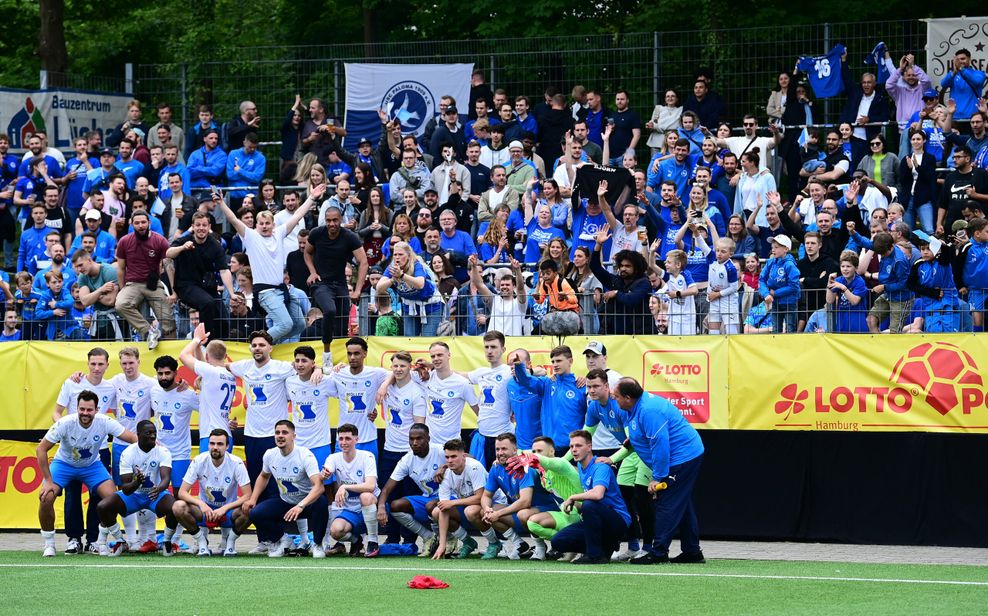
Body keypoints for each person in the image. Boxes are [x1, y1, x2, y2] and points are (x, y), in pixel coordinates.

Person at [613, 378, 705, 565]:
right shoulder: (636, 407)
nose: (615, 400)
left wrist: (658, 478)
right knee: (681, 504)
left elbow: (660, 446)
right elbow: (643, 432)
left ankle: (658, 552)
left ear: (628, 398)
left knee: (667, 503)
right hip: (679, 455)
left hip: (683, 457)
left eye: (616, 397)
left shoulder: (649, 411)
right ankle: (692, 552)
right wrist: (635, 441)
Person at [37, 390, 137, 557]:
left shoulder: (104, 421)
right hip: (64, 464)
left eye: (89, 410)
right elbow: (41, 449)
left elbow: (132, 438)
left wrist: (152, 446)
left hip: (92, 466)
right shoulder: (65, 423)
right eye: (81, 409)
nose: (85, 413)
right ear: (77, 408)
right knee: (46, 497)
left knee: (113, 498)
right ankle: (49, 544)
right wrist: (48, 480)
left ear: (96, 410)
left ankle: (98, 541)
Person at [219, 183, 319, 344]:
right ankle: (257, 344)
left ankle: (271, 344)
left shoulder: (279, 233)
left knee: (300, 324)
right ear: (256, 225)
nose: (264, 226)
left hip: (282, 288)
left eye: (267, 223)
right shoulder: (251, 236)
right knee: (285, 324)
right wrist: (222, 204)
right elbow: (233, 219)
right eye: (261, 224)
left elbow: (298, 215)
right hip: (266, 292)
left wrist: (312, 197)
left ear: (274, 224)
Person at [466, 432, 557, 559]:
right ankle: (518, 544)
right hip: (522, 512)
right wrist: (488, 510)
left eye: (504, 448)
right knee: (484, 512)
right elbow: (486, 496)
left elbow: (525, 501)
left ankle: (540, 547)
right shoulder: (496, 467)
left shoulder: (524, 467)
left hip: (545, 508)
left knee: (523, 513)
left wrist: (498, 514)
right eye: (497, 449)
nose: (500, 452)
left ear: (515, 450)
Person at [244, 420, 328, 558]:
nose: (280, 436)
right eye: (277, 433)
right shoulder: (270, 454)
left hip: (306, 503)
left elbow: (319, 487)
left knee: (322, 502)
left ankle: (318, 545)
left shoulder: (305, 455)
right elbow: (263, 476)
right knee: (255, 512)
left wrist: (300, 506)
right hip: (285, 502)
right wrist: (253, 499)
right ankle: (283, 540)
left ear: (294, 436)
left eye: (285, 432)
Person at [546, 430, 631, 564]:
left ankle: (594, 555)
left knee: (589, 505)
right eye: (571, 446)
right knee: (558, 541)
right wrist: (576, 505)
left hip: (618, 521)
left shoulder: (600, 466)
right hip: (598, 519)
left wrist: (573, 497)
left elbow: (598, 494)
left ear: (589, 447)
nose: (574, 450)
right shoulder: (580, 465)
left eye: (578, 446)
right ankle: (604, 550)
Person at [95, 420, 178, 557]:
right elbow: (126, 489)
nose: (152, 436)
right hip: (134, 495)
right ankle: (120, 541)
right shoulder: (128, 453)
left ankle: (167, 541)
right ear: (138, 435)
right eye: (148, 433)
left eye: (154, 433)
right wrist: (136, 482)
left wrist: (159, 488)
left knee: (176, 508)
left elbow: (165, 478)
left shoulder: (163, 451)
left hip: (155, 494)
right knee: (103, 506)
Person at [173, 429, 253, 557]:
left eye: (220, 444)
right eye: (212, 443)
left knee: (251, 508)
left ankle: (230, 543)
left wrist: (225, 508)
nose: (215, 447)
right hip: (205, 512)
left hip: (228, 512)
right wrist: (201, 504)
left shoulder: (236, 462)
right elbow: (182, 492)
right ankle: (202, 542)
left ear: (227, 446)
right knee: (178, 506)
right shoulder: (199, 460)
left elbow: (248, 495)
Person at [304, 203, 368, 364]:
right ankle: (326, 354)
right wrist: (312, 271)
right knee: (330, 310)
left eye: (335, 220)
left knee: (341, 325)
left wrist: (357, 290)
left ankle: (341, 360)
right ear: (324, 220)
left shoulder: (349, 236)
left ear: (341, 220)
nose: (332, 224)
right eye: (328, 220)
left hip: (340, 284)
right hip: (321, 283)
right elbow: (307, 252)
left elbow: (363, 262)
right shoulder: (317, 233)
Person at [375, 354, 428, 543]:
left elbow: (420, 426)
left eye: (402, 366)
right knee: (388, 493)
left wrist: (415, 451)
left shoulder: (416, 392)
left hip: (408, 452)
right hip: (389, 449)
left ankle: (409, 538)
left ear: (409, 367)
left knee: (408, 496)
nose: (398, 369)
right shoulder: (387, 385)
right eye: (395, 366)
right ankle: (391, 536)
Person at [375, 422, 444, 552]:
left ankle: (447, 539)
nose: (414, 443)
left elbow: (466, 457)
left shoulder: (440, 450)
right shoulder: (407, 459)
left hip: (450, 498)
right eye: (411, 439)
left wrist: (445, 466)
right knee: (395, 505)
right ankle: (428, 536)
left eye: (419, 438)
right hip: (429, 499)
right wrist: (381, 507)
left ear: (428, 439)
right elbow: (386, 489)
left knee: (432, 506)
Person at [166, 211, 234, 341]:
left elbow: (224, 270)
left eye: (204, 225)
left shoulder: (215, 245)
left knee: (223, 317)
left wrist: (231, 293)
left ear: (209, 227)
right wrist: (182, 248)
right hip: (185, 285)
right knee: (207, 303)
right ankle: (205, 341)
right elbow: (168, 253)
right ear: (193, 226)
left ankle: (221, 344)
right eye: (198, 225)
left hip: (206, 286)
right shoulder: (184, 240)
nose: (201, 228)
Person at [114, 210, 175, 349]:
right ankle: (149, 332)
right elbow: (121, 268)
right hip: (133, 284)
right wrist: (122, 289)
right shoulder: (124, 241)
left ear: (149, 223)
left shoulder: (159, 240)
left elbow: (169, 265)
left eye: (143, 222)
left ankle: (173, 352)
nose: (140, 225)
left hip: (153, 284)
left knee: (168, 322)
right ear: (132, 224)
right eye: (137, 223)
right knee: (121, 304)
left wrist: (173, 291)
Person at [321, 423, 381, 558]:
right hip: (350, 509)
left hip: (372, 505)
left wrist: (344, 487)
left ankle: (373, 542)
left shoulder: (367, 456)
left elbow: (371, 485)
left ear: (356, 440)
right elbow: (326, 469)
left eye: (348, 438)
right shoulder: (333, 458)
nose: (344, 442)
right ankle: (357, 541)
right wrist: (325, 473)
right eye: (341, 439)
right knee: (335, 531)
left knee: (366, 496)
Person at [511, 345, 585, 450]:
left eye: (559, 361)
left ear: (570, 361)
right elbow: (526, 380)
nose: (555, 365)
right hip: (549, 448)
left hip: (573, 449)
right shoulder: (547, 384)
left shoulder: (581, 387)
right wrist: (519, 366)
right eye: (553, 361)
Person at [179, 324, 238, 455]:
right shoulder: (230, 375)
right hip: (226, 436)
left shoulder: (211, 372)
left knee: (207, 475)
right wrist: (199, 347)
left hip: (211, 437)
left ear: (207, 357)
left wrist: (195, 339)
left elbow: (183, 355)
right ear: (225, 356)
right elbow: (205, 365)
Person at [325, 337, 388, 459]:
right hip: (343, 440)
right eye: (349, 354)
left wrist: (384, 385)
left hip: (368, 439)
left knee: (369, 478)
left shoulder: (375, 374)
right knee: (341, 478)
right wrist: (317, 369)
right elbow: (321, 380)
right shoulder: (338, 373)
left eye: (356, 353)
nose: (352, 357)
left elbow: (398, 374)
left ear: (365, 354)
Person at [430, 438, 488, 559]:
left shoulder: (474, 467)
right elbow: (444, 507)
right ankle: (468, 542)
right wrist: (442, 544)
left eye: (454, 456)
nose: (450, 461)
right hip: (468, 505)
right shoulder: (445, 474)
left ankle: (494, 543)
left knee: (470, 511)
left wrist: (453, 502)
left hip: (492, 504)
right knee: (437, 511)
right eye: (447, 457)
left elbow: (480, 497)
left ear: (463, 456)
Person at [377, 241, 445, 336]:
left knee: (428, 339)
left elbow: (420, 284)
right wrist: (392, 280)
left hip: (431, 306)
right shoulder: (392, 268)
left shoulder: (417, 265)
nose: (397, 257)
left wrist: (402, 276)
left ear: (408, 256)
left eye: (400, 254)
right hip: (410, 306)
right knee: (409, 338)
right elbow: (379, 288)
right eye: (395, 254)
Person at [466, 255, 527, 336]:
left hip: (513, 342)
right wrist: (473, 266)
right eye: (502, 285)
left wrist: (518, 270)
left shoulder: (520, 303)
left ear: (514, 286)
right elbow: (479, 284)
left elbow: (520, 289)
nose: (504, 287)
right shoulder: (494, 299)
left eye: (507, 285)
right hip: (494, 341)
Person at [866, 232, 914, 334]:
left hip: (902, 298)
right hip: (888, 295)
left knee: (894, 333)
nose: (882, 255)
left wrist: (884, 287)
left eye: (884, 253)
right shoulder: (883, 247)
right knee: (871, 320)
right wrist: (853, 233)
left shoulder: (899, 261)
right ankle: (878, 347)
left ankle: (892, 349)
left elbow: (903, 284)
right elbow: (865, 243)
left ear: (890, 247)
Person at [759, 235, 801, 333]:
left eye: (776, 247)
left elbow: (794, 286)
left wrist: (775, 293)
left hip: (789, 302)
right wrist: (766, 294)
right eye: (772, 247)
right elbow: (761, 279)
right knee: (776, 329)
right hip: (775, 302)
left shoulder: (790, 265)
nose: (773, 250)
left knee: (790, 329)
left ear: (786, 249)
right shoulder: (770, 262)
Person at [827, 250, 869, 333]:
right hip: (842, 322)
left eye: (848, 266)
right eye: (843, 266)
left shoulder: (859, 281)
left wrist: (843, 288)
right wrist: (829, 283)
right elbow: (829, 300)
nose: (845, 269)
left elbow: (854, 301)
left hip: (857, 323)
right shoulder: (839, 280)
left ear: (856, 268)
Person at [940, 48, 987, 122]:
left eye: (963, 59)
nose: (960, 61)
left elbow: (977, 82)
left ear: (969, 59)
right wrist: (953, 73)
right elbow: (943, 84)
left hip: (973, 118)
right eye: (957, 60)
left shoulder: (979, 73)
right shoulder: (953, 74)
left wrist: (962, 69)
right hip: (955, 118)